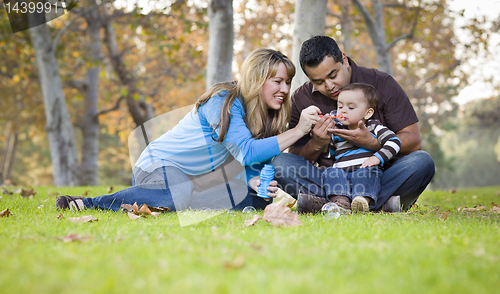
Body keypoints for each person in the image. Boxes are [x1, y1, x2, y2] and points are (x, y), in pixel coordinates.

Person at [56, 49, 320, 212]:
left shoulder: (263, 113)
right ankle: (89, 203)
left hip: (200, 179)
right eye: (277, 81)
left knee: (258, 200)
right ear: (257, 79)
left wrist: (250, 179)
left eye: (287, 82)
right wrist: (298, 130)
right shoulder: (223, 100)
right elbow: (247, 151)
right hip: (159, 166)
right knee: (177, 193)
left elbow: (250, 159)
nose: (285, 89)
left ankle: (175, 202)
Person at [271, 35, 435, 213]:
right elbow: (297, 158)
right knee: (280, 163)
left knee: (422, 162)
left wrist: (371, 143)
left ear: (344, 59)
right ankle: (378, 205)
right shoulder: (302, 98)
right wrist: (317, 144)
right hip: (331, 179)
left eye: (333, 75)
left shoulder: (382, 83)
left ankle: (331, 205)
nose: (329, 86)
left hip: (379, 175)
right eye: (318, 82)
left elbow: (413, 140)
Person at [323, 83, 401, 213]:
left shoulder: (373, 127)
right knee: (331, 172)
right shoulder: (337, 131)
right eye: (340, 106)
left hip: (363, 170)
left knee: (367, 172)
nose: (342, 111)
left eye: (351, 107)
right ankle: (341, 202)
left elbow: (394, 142)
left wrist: (377, 158)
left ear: (367, 113)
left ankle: (361, 200)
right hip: (342, 175)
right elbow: (331, 153)